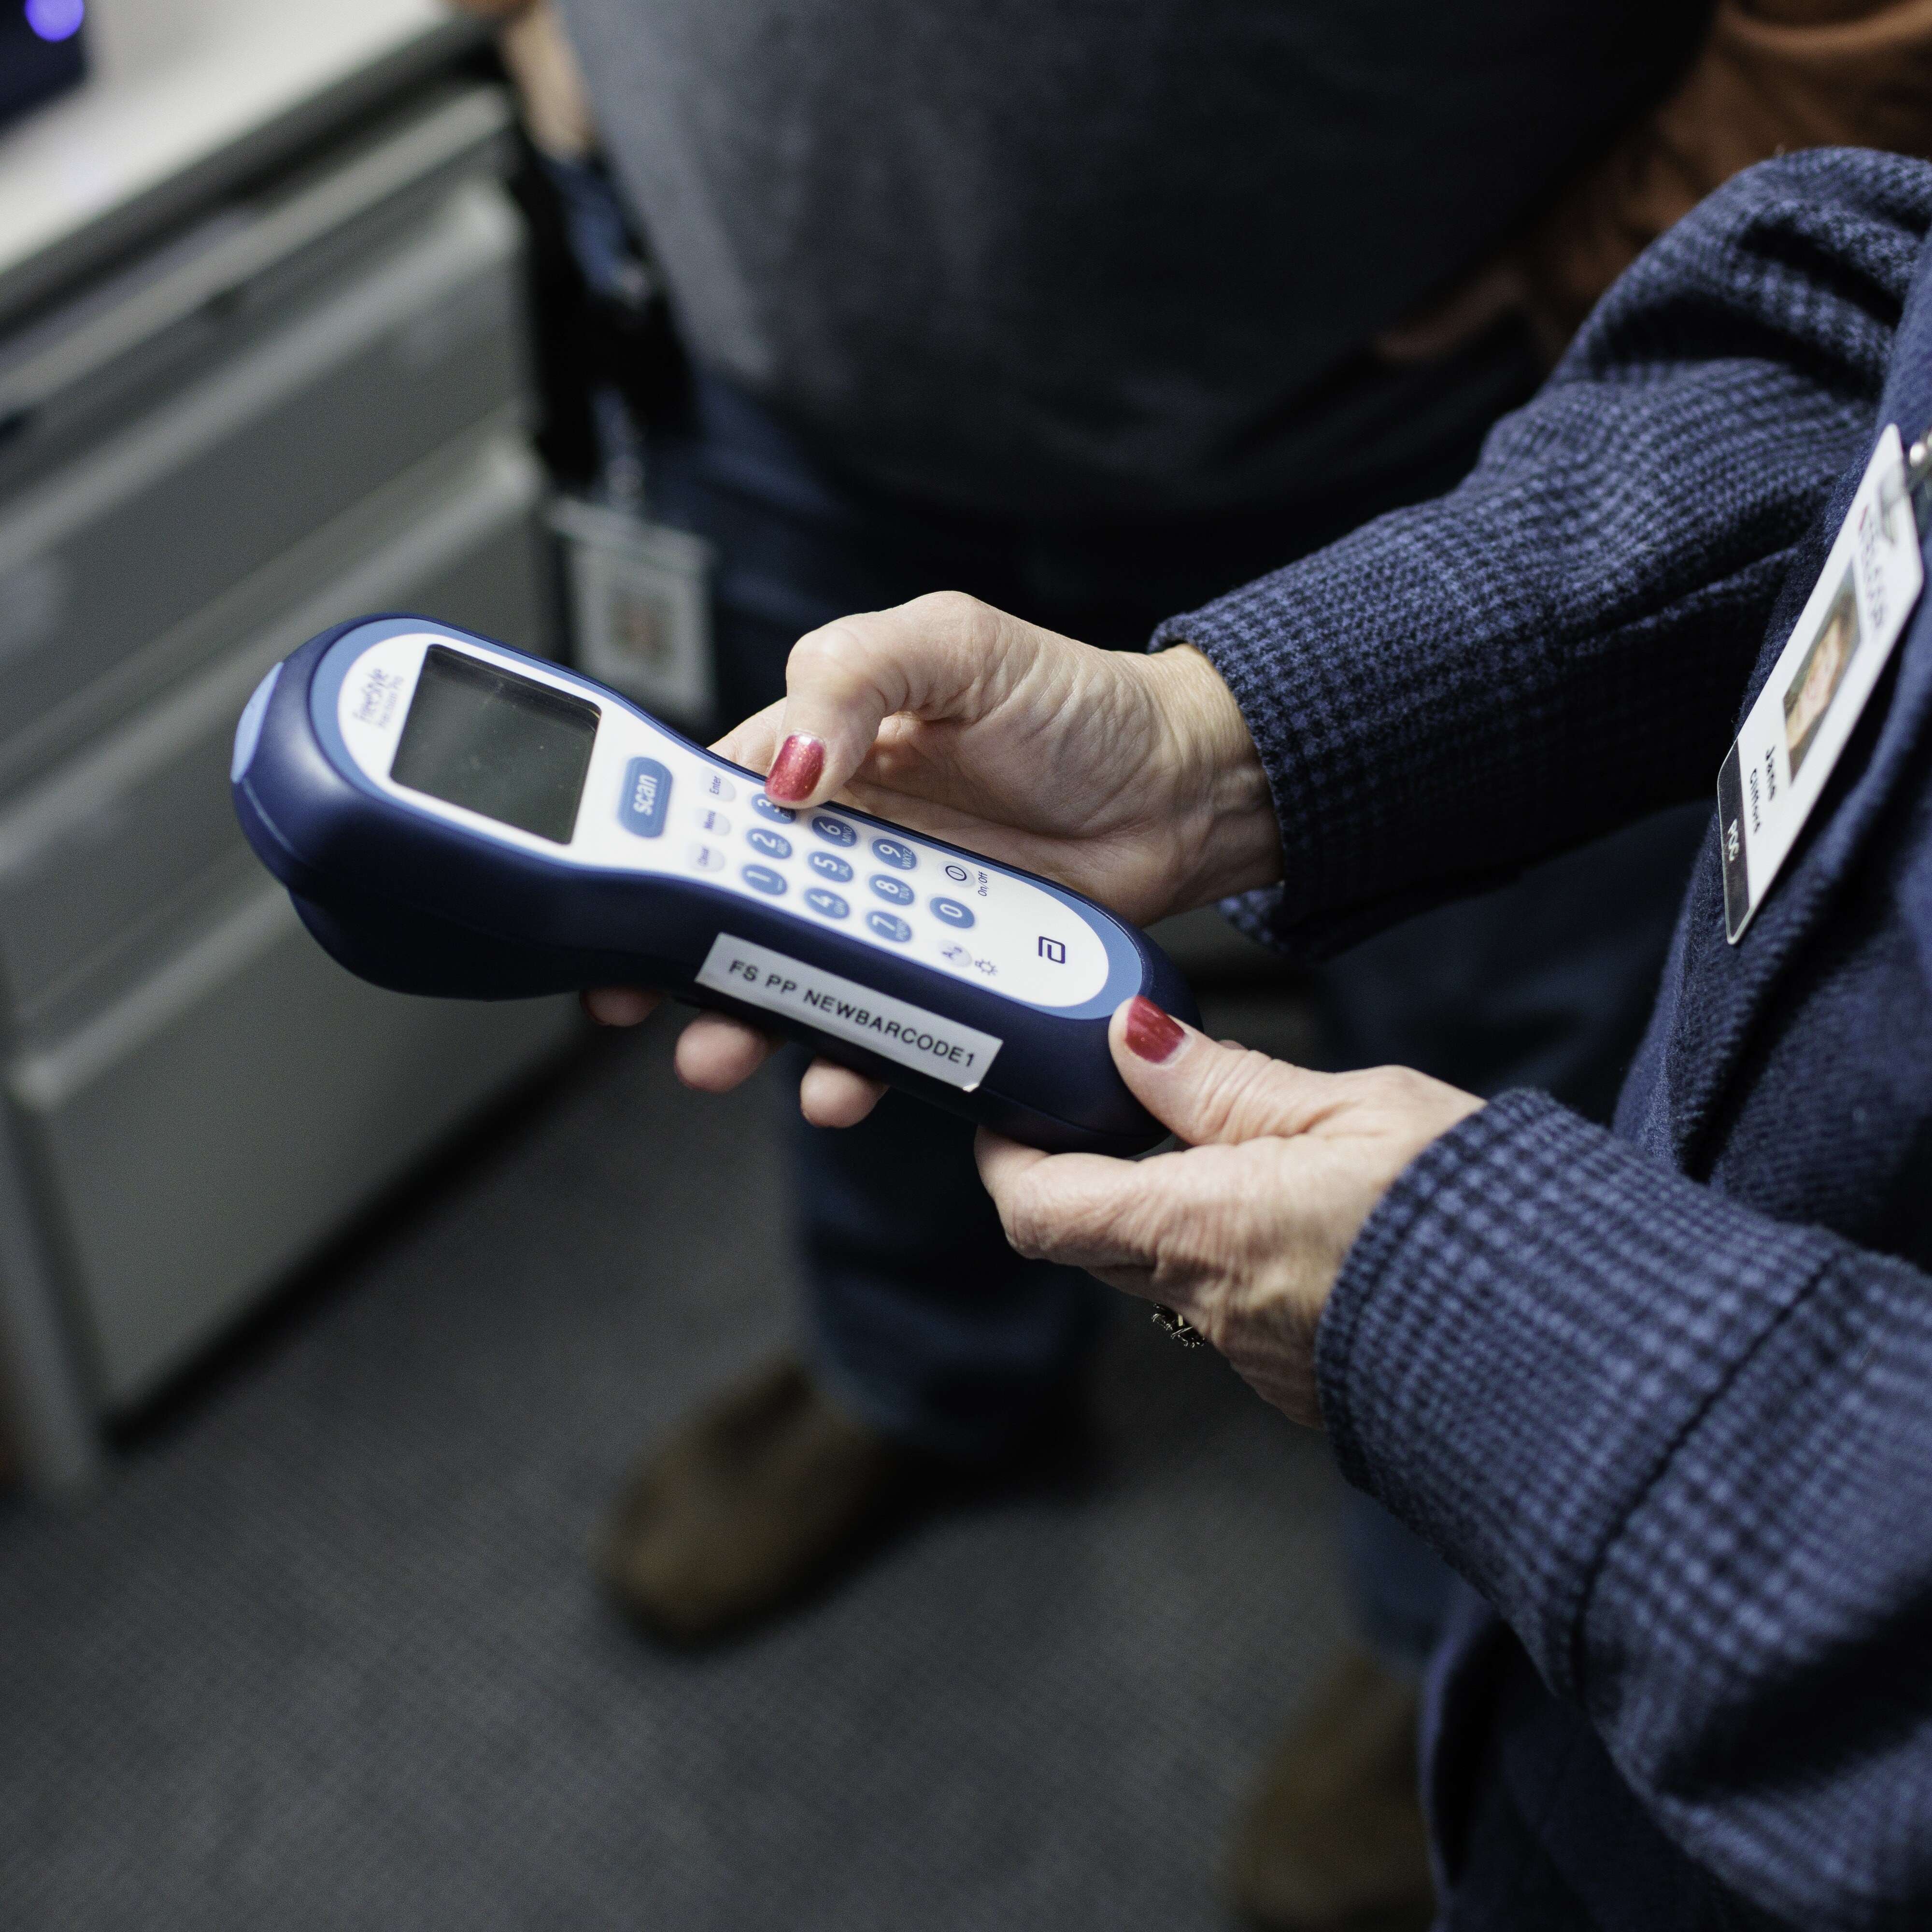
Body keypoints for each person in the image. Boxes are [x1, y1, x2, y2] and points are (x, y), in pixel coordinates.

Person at [457, 4, 1932, 1925]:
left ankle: (1445, 1623)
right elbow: (1884, 364)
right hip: (776, 366)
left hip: (1374, 397)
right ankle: (918, 1373)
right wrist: (1241, 728)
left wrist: (1472, 1330)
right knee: (835, 915)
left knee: (1511, 1023)